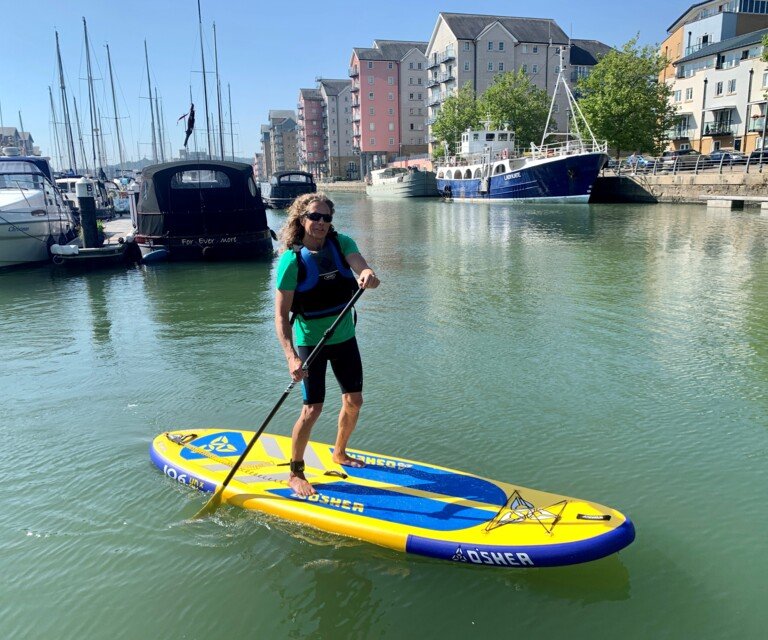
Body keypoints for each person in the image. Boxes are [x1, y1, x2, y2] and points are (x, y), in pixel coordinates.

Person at [275, 192, 380, 497]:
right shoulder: (291, 261)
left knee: (354, 400)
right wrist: (291, 357)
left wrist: (367, 274)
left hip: (344, 335)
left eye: (326, 218)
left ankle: (340, 452)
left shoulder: (341, 242)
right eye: (314, 217)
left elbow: (360, 265)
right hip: (312, 343)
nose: (320, 223)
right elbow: (281, 317)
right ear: (301, 219)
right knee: (312, 409)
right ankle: (295, 472)